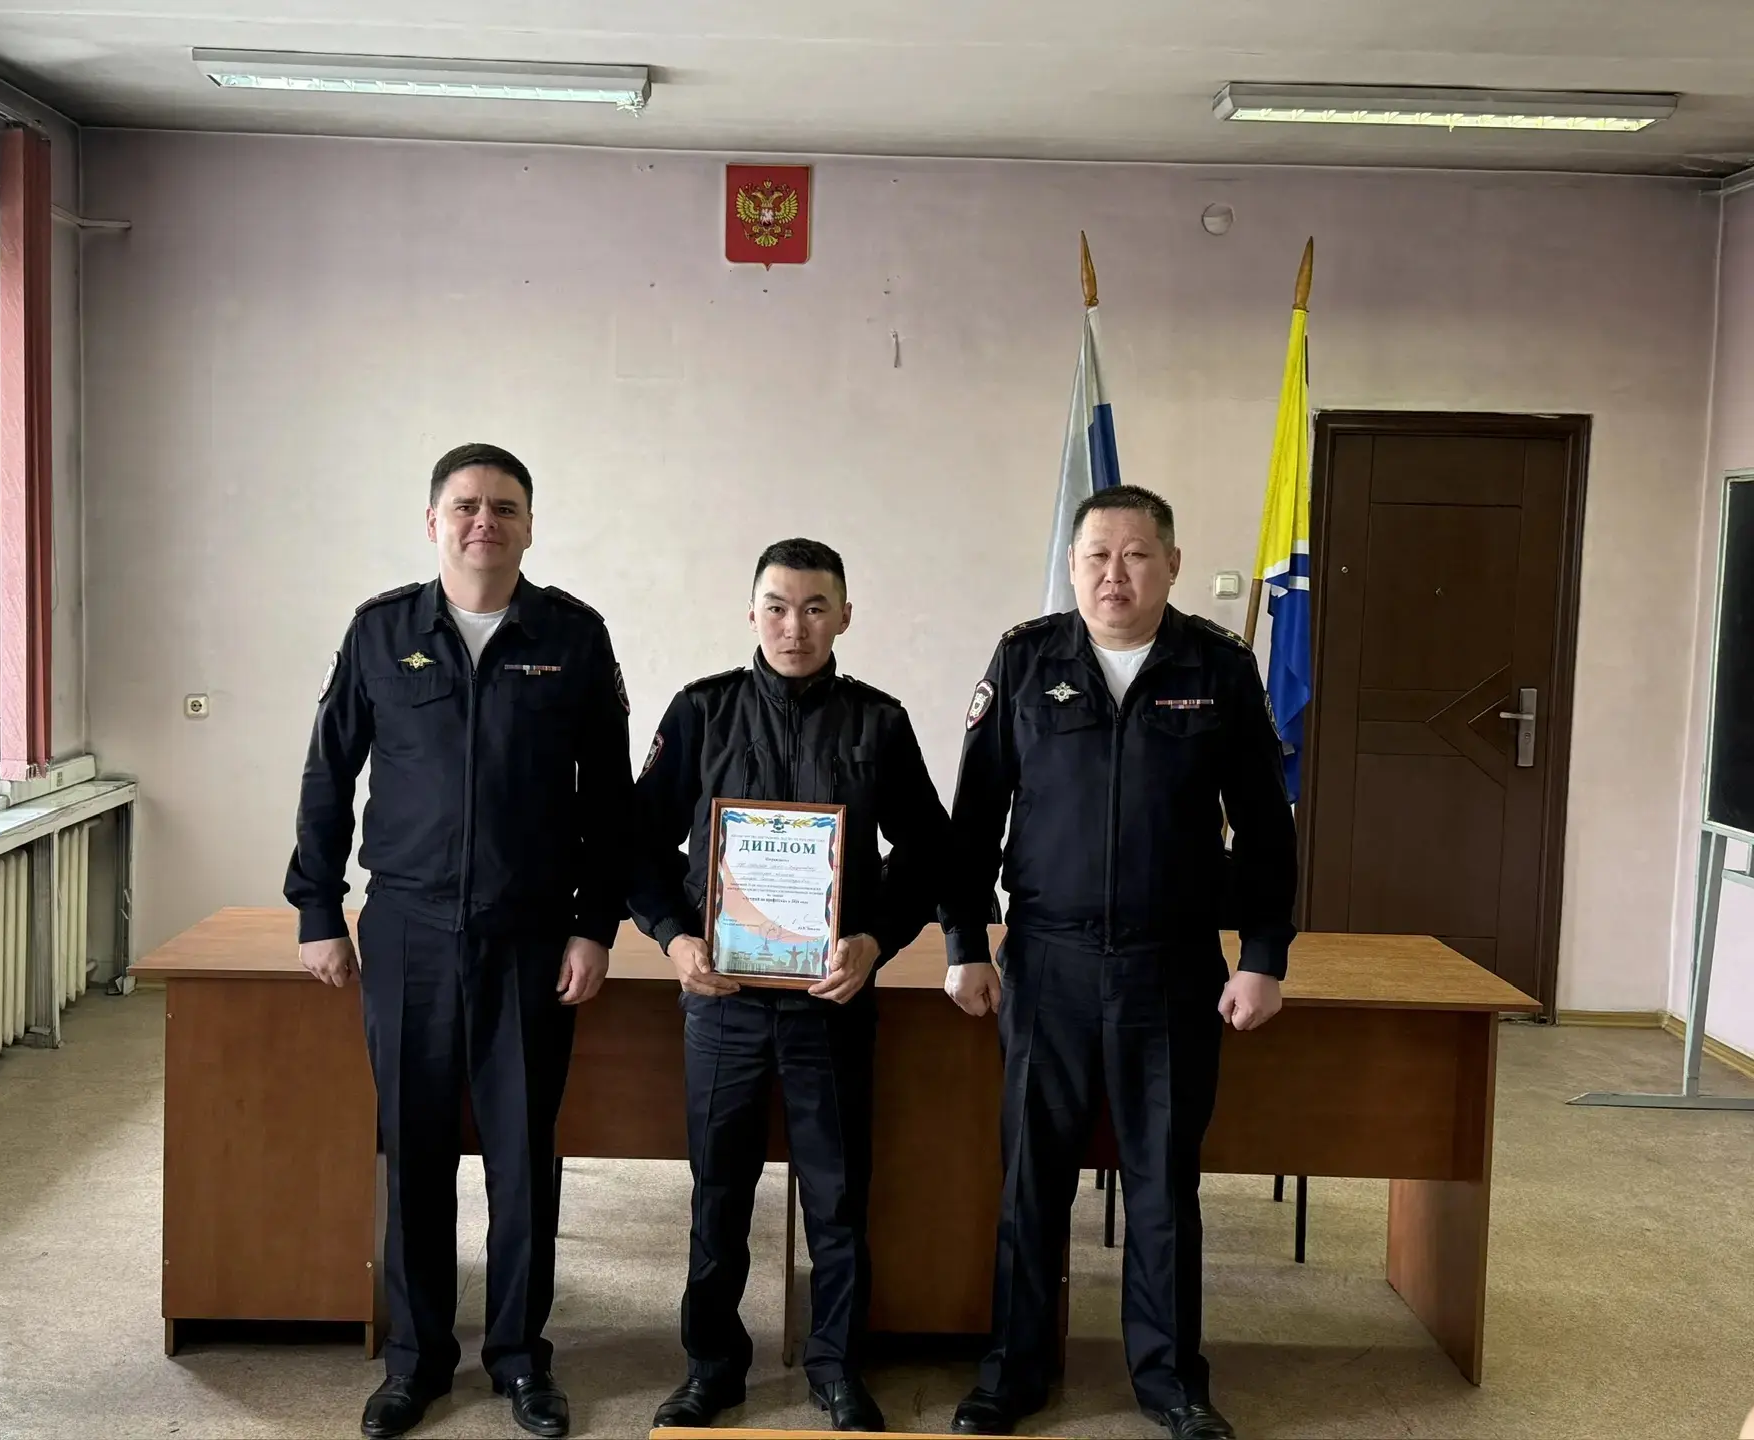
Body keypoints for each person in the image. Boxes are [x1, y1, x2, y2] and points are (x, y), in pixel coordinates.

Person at [285, 443, 633, 1440]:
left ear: (529, 525)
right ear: (433, 521)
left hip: (531, 936)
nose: (486, 521)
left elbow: (610, 799)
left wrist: (593, 926)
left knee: (523, 1160)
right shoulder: (381, 631)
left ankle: (520, 1359)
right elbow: (328, 774)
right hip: (409, 930)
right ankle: (417, 1360)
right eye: (468, 505)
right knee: (417, 1152)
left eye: (505, 507)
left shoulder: (572, 635)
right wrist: (318, 908)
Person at [941, 486, 1296, 1440]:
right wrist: (965, 941)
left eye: (1136, 555)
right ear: (1071, 564)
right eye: (1097, 555)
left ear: (1172, 565)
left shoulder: (1217, 667)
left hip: (1171, 966)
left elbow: (1266, 828)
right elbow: (973, 819)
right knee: (1030, 1181)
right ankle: (1012, 1374)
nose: (1115, 574)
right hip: (1046, 963)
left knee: (1162, 1185)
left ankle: (1172, 1383)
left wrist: (1263, 955)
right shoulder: (1025, 660)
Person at [630, 539, 955, 1434]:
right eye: (776, 606)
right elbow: (636, 845)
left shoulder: (878, 722)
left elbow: (930, 850)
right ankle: (711, 1368)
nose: (795, 626)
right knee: (718, 1194)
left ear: (845, 616)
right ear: (751, 613)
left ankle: (837, 1368)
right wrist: (673, 939)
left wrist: (875, 941)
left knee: (838, 1199)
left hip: (830, 1005)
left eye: (815, 608)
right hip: (722, 1005)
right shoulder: (701, 712)